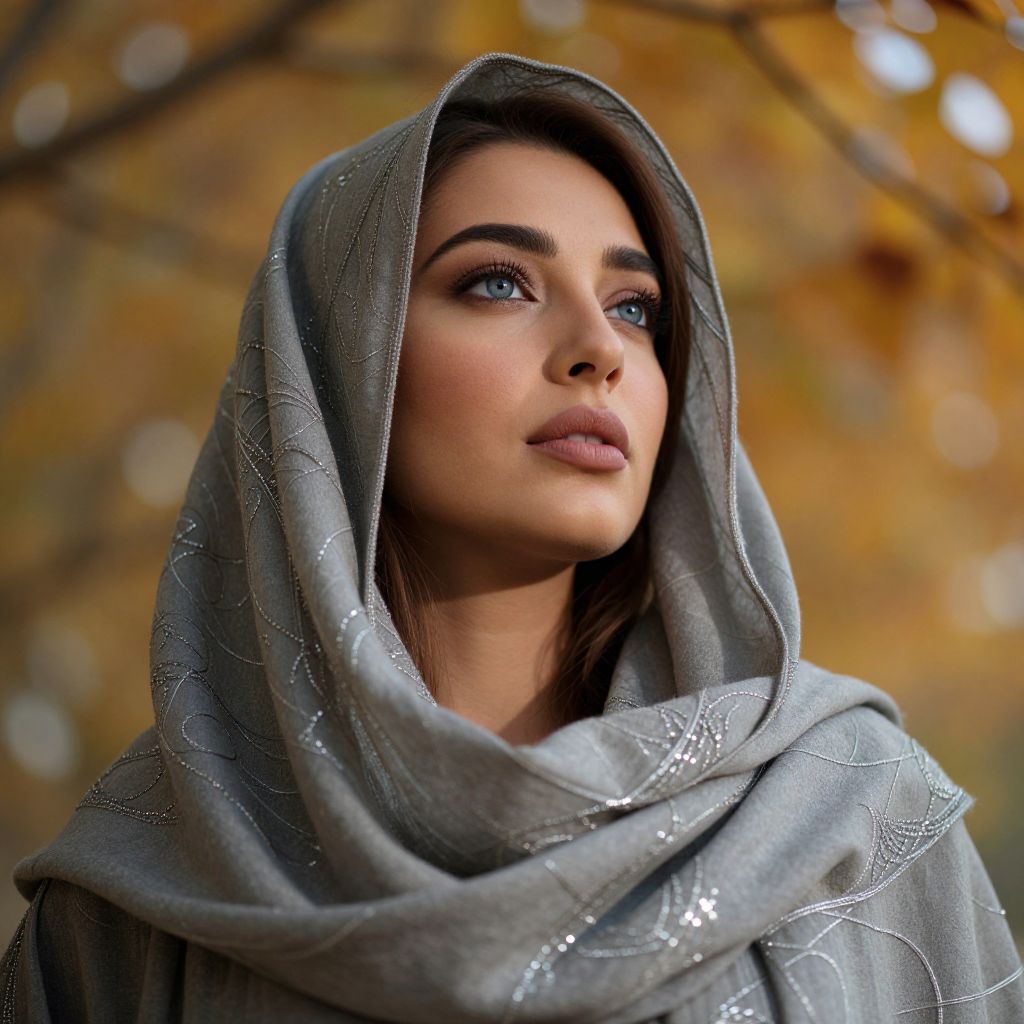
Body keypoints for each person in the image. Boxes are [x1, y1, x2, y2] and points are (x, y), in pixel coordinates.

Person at [1, 51, 1021, 1023]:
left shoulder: (845, 814)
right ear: (331, 371)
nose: (598, 352)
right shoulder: (149, 884)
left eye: (635, 308)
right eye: (498, 282)